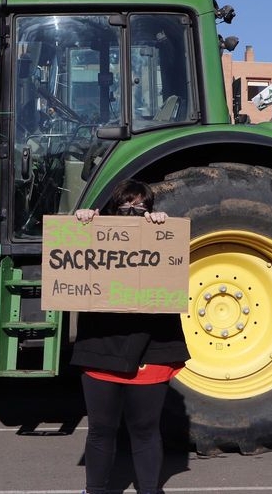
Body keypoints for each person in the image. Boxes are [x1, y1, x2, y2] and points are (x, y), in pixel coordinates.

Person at [71, 179, 189, 494]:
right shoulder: (94, 234)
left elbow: (174, 268)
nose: (133, 211)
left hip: (151, 348)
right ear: (112, 209)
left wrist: (162, 227)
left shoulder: (160, 235)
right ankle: (94, 490)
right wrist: (82, 223)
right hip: (101, 346)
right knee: (101, 429)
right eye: (125, 205)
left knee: (145, 430)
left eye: (141, 206)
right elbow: (71, 258)